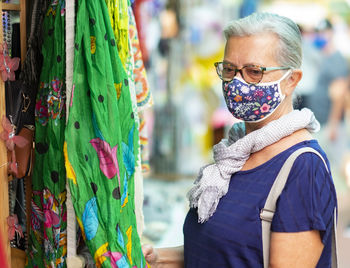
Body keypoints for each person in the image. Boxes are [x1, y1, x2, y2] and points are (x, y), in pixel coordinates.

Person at [143, 12, 337, 267]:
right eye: (229, 69)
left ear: (291, 80)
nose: (237, 82)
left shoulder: (303, 169)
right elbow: (227, 252)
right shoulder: (232, 156)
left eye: (254, 71)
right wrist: (160, 258)